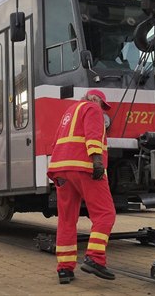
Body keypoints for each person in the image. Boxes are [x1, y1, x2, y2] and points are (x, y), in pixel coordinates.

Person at [47, 89, 116, 284]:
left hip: (61, 170)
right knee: (105, 214)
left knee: (67, 220)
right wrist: (97, 161)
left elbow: (56, 142)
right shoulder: (92, 108)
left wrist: (55, 172)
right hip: (84, 167)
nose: (102, 109)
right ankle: (94, 257)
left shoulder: (69, 112)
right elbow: (92, 135)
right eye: (102, 104)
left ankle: (65, 269)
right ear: (94, 99)